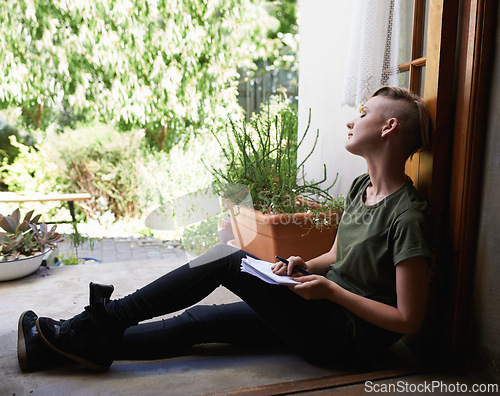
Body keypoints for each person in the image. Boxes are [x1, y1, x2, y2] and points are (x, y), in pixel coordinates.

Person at [17, 86, 433, 372]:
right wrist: (303, 264)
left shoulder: (407, 216)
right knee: (199, 322)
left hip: (345, 340)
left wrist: (329, 291)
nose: (351, 121)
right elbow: (337, 257)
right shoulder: (361, 188)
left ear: (388, 128)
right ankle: (62, 348)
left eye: (363, 114)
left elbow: (408, 320)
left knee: (225, 259)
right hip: (319, 311)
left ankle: (97, 322)